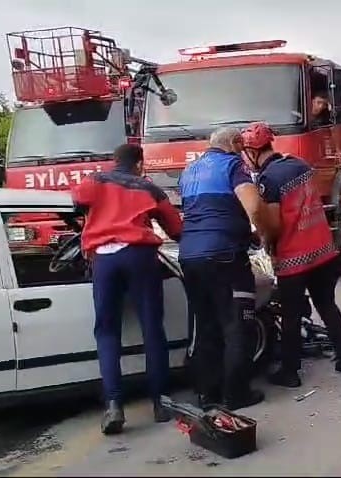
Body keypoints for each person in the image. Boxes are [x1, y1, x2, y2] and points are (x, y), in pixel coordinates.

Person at [71, 143, 183, 435]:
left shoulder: (95, 181)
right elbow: (176, 229)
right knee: (152, 328)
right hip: (139, 256)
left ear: (114, 160)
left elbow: (76, 203)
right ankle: (161, 402)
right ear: (139, 164)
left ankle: (113, 405)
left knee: (107, 332)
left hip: (104, 260)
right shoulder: (148, 188)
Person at [240, 122, 341, 387]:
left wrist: (265, 243)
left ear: (252, 151)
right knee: (327, 305)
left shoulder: (269, 180)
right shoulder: (300, 165)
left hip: (294, 258)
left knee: (290, 315)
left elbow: (273, 223)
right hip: (323, 251)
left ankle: (290, 372)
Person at [177, 127, 266, 410]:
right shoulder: (232, 165)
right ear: (233, 144)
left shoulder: (189, 171)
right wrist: (260, 233)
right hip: (225, 255)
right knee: (238, 324)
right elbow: (253, 206)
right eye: (241, 144)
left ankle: (207, 394)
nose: (243, 149)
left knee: (206, 326)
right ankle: (236, 394)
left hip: (190, 256)